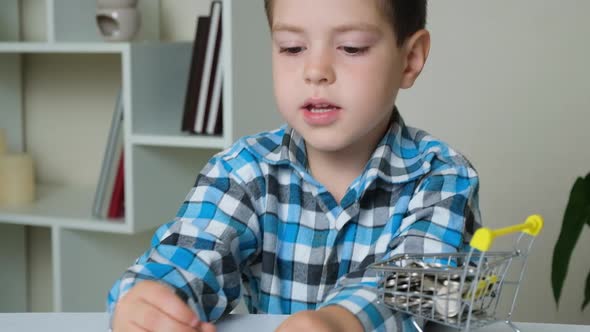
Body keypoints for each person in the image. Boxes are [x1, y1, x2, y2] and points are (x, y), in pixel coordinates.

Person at [108, 0, 481, 331]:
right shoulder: (242, 171)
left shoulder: (443, 177)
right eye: (292, 48)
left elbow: (422, 291)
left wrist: (342, 322)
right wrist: (152, 302)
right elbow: (189, 253)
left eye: (351, 47)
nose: (315, 71)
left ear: (410, 58)